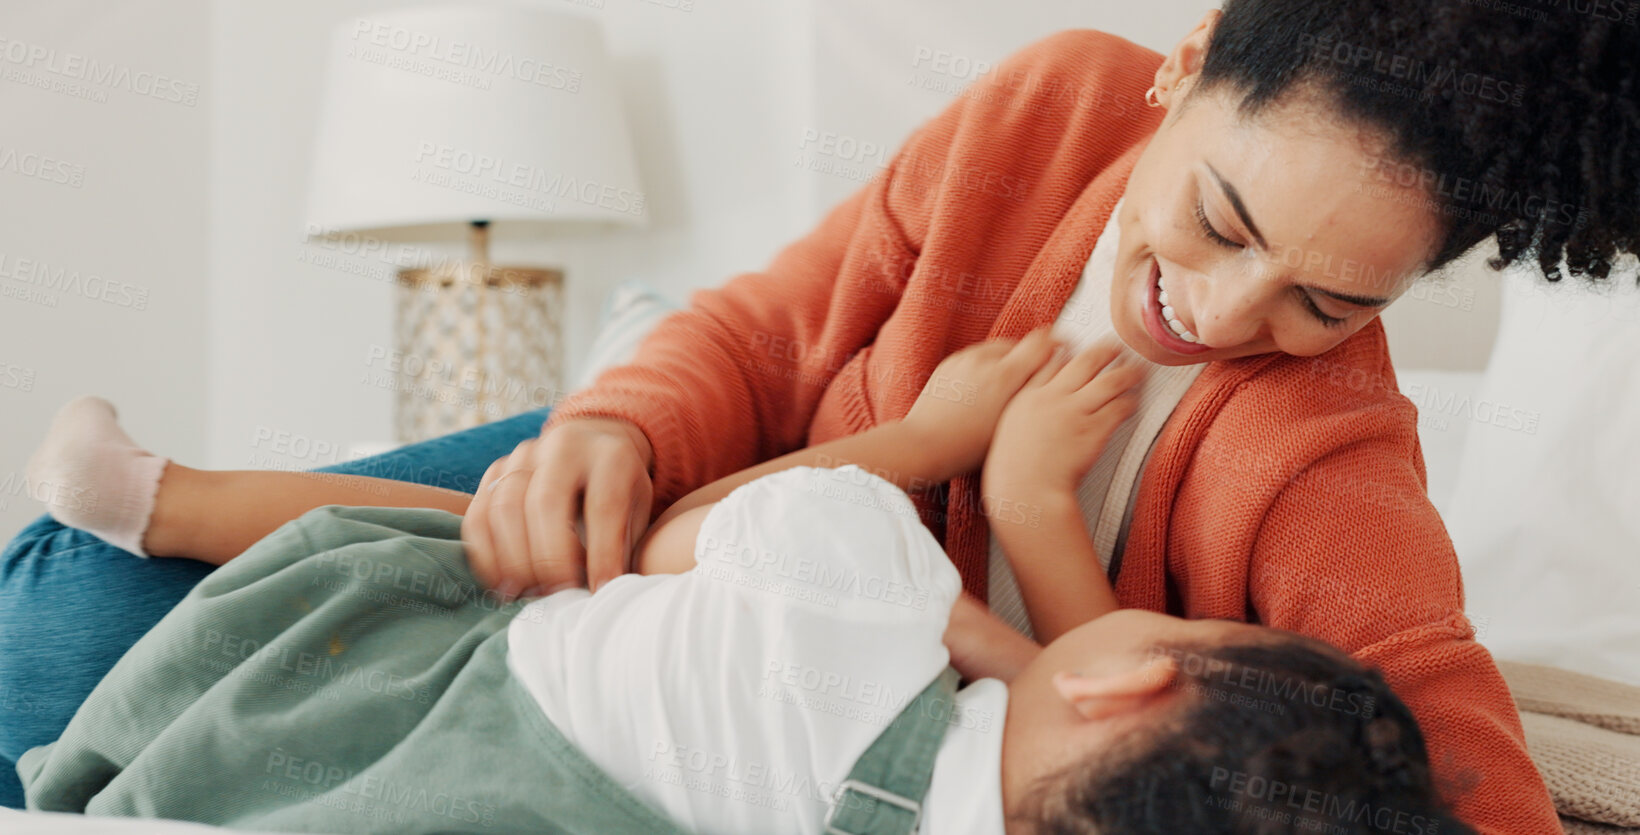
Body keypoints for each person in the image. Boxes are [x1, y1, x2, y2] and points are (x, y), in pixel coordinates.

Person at [0, 0, 1640, 829]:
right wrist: (615, 431)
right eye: (1217, 219)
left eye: (1330, 300)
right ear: (1184, 68)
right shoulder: (1049, 104)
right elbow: (769, 328)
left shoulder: (1327, 456)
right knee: (64, 600)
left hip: (800, 667)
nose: (1223, 311)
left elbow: (1459, 761)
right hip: (732, 485)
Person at [19, 334, 1471, 835]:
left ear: (1130, 671)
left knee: (520, 542)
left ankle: (160, 502)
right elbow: (1063, 701)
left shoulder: (866, 580)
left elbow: (687, 530)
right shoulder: (944, 681)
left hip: (393, 700)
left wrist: (957, 454)